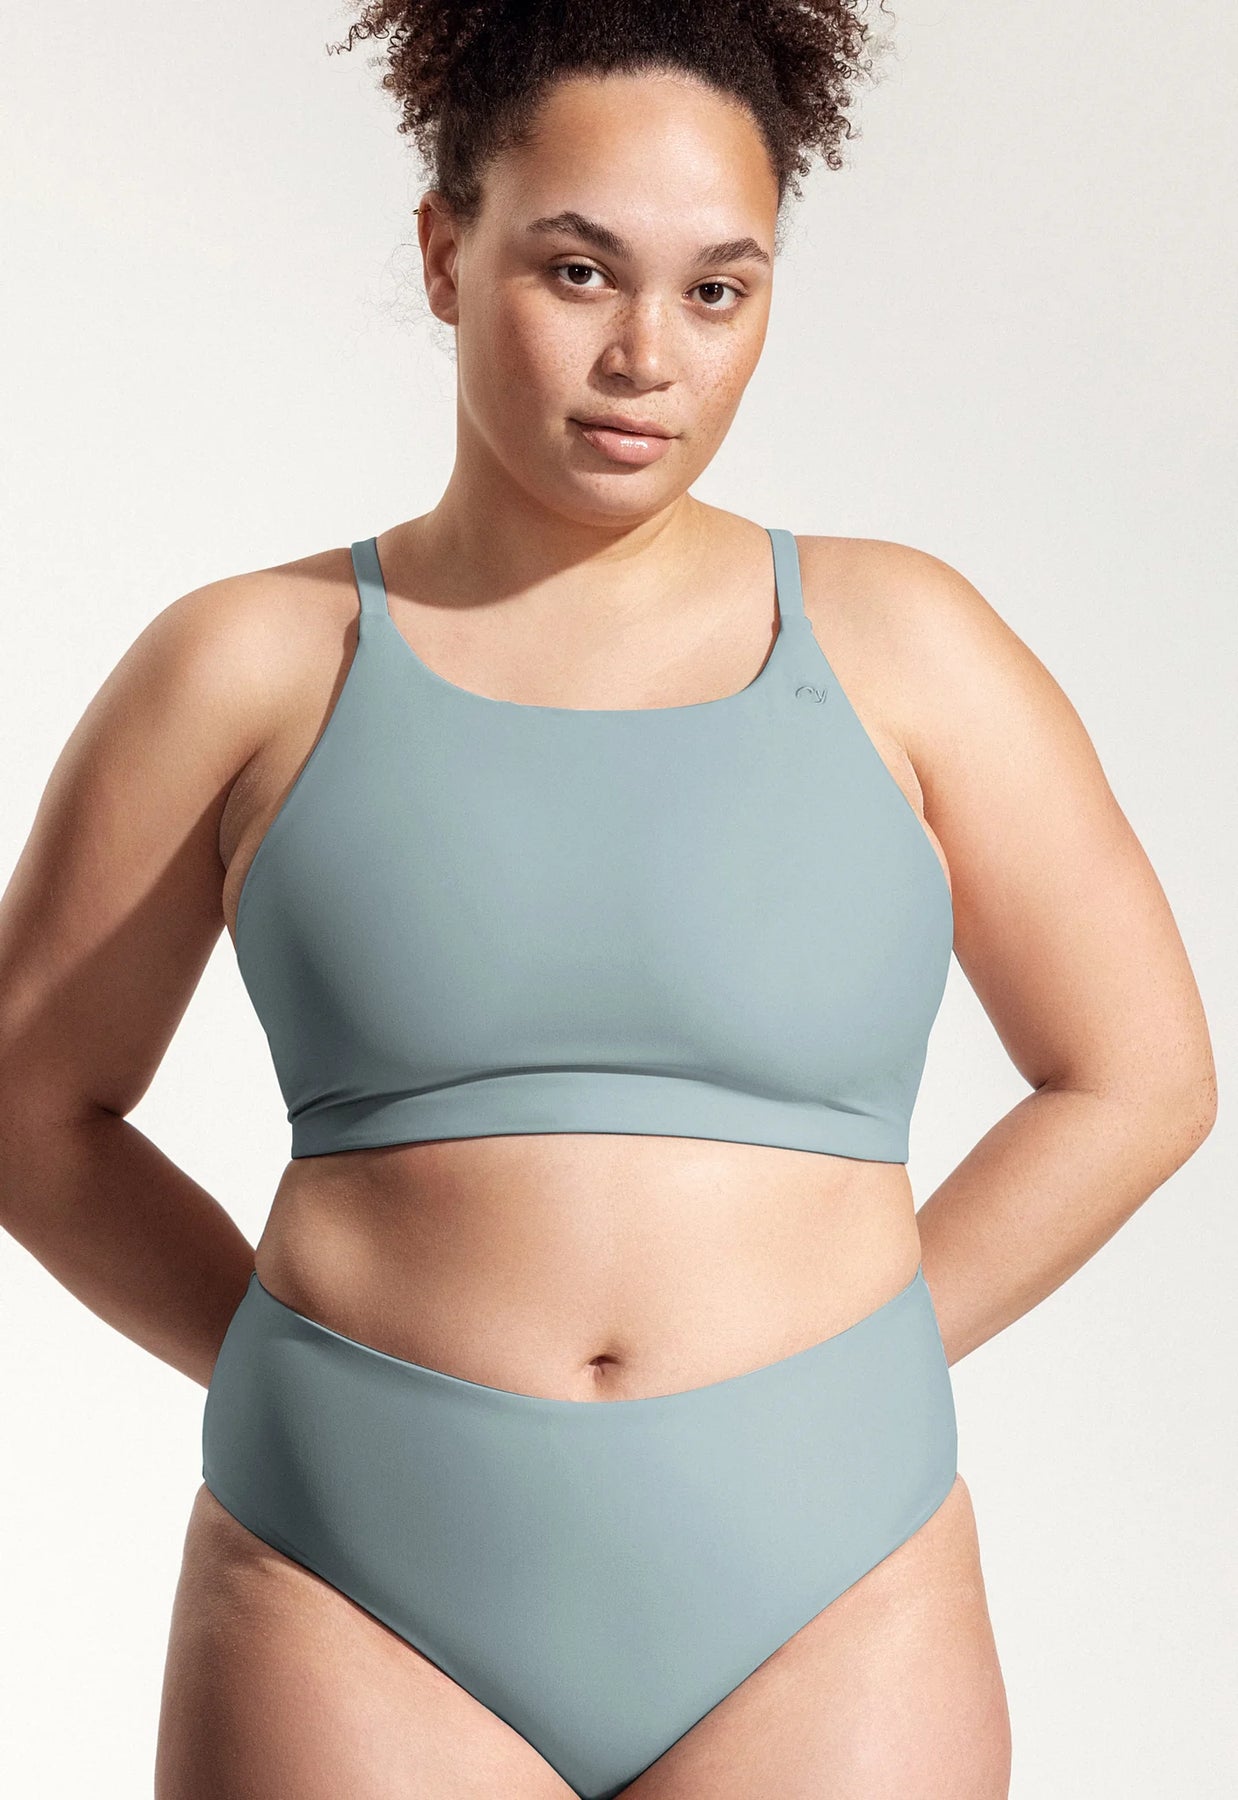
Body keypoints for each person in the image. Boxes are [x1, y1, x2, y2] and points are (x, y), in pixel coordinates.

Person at [0, 3, 1216, 1798]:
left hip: (827, 1582)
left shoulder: (908, 648)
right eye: (578, 271)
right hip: (350, 1578)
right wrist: (305, 1374)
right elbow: (29, 1108)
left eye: (715, 291)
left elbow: (1140, 1078)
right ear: (445, 252)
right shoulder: (247, 663)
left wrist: (853, 1375)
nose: (646, 355)